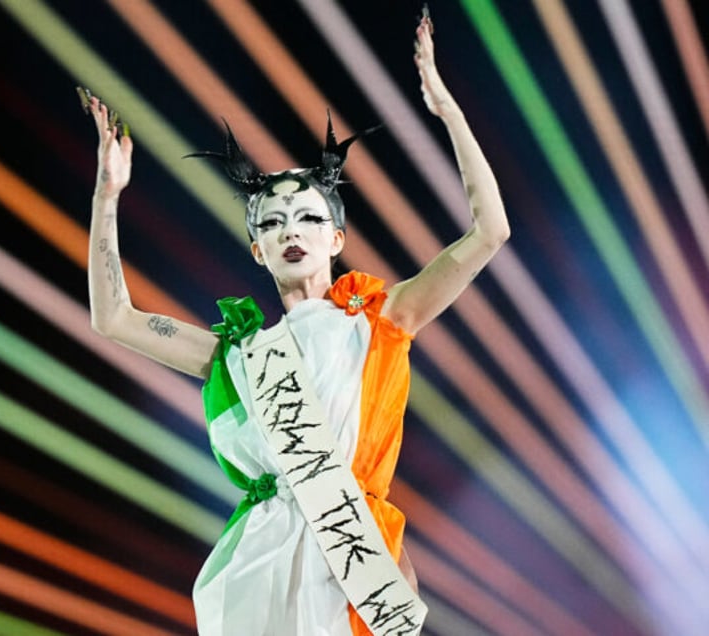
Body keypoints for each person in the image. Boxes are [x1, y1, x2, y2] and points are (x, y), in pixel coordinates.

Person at [83, 9, 508, 636]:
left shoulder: (382, 319)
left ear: (337, 237)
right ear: (257, 249)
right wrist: (106, 195)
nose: (290, 231)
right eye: (272, 222)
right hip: (262, 566)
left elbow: (489, 231)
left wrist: (449, 112)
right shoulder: (236, 352)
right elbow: (112, 317)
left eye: (308, 218)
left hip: (352, 564)